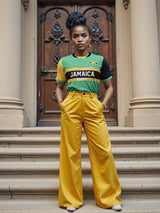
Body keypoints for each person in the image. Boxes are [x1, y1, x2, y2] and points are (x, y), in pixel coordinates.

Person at [56, 12, 122, 212]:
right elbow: (59, 86)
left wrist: (102, 104)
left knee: (103, 150)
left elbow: (109, 86)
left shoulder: (100, 61)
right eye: (76, 36)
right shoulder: (64, 62)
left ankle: (109, 198)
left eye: (83, 35)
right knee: (70, 153)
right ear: (71, 39)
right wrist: (62, 104)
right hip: (72, 106)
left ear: (90, 37)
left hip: (93, 106)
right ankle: (71, 200)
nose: (80, 39)